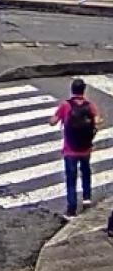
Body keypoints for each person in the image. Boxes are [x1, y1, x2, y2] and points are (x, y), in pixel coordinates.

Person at [53, 79, 99, 221]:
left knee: (71, 179)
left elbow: (53, 121)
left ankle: (71, 210)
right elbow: (97, 121)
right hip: (85, 149)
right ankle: (87, 199)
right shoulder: (90, 106)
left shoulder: (66, 105)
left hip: (70, 150)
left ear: (72, 90)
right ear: (84, 91)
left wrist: (57, 119)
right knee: (86, 172)